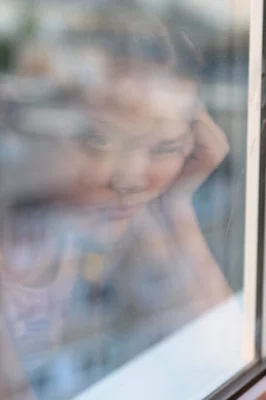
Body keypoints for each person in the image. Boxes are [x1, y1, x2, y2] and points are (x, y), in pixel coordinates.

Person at [0, 14, 233, 399]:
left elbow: (219, 356)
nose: (129, 178)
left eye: (164, 146)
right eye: (95, 140)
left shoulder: (113, 225)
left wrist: (173, 204)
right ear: (11, 119)